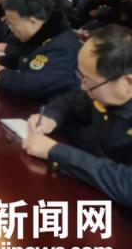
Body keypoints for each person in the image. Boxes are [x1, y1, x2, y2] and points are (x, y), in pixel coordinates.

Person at [22, 25, 132, 207]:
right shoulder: (100, 92)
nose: (82, 86)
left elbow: (127, 184)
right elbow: (68, 101)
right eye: (81, 77)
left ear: (128, 82)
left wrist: (55, 151)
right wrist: (50, 118)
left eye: (89, 80)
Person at [0, 0, 81, 99]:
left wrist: (1, 72)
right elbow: (25, 59)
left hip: (51, 106)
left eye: (12, 24)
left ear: (32, 21)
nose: (11, 29)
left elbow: (31, 85)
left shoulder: (61, 46)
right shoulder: (40, 35)